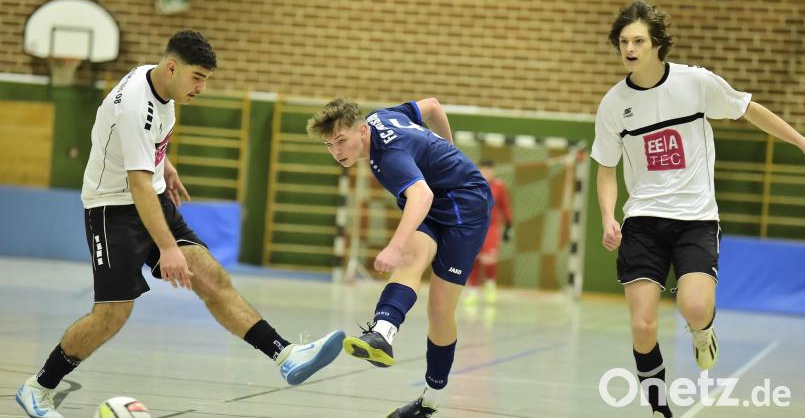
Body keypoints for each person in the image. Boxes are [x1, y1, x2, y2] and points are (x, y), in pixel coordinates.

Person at [16, 30, 345, 418]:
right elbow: (136, 183)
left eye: (206, 78)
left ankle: (285, 353)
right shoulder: (136, 106)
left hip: (150, 195)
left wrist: (163, 163)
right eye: (198, 77)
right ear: (172, 67)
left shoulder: (161, 85)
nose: (202, 87)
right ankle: (38, 387)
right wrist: (168, 248)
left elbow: (139, 151)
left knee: (211, 276)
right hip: (113, 210)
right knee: (112, 315)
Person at [592, 0, 805, 418]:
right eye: (623, 42)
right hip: (644, 220)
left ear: (656, 44)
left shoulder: (695, 83)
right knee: (642, 325)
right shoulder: (614, 104)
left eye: (638, 40)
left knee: (693, 306)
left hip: (696, 219)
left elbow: (749, 109)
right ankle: (659, 409)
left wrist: (799, 140)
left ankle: (703, 330)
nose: (630, 49)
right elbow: (605, 168)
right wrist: (607, 216)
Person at [307, 97, 492, 417]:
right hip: (433, 199)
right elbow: (433, 105)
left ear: (362, 131)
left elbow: (422, 195)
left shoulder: (387, 156)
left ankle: (430, 401)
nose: (337, 152)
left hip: (466, 206)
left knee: (439, 310)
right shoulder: (381, 117)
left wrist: (393, 245)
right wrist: (447, 148)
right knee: (411, 261)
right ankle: (382, 334)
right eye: (329, 145)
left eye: (341, 141)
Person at [464, 159, 513, 305]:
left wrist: (509, 225)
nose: (487, 173)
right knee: (473, 258)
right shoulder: (472, 184)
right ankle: (472, 290)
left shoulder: (499, 186)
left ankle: (490, 284)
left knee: (488, 258)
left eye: (489, 170)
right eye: (483, 170)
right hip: (474, 226)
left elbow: (505, 206)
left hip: (491, 228)